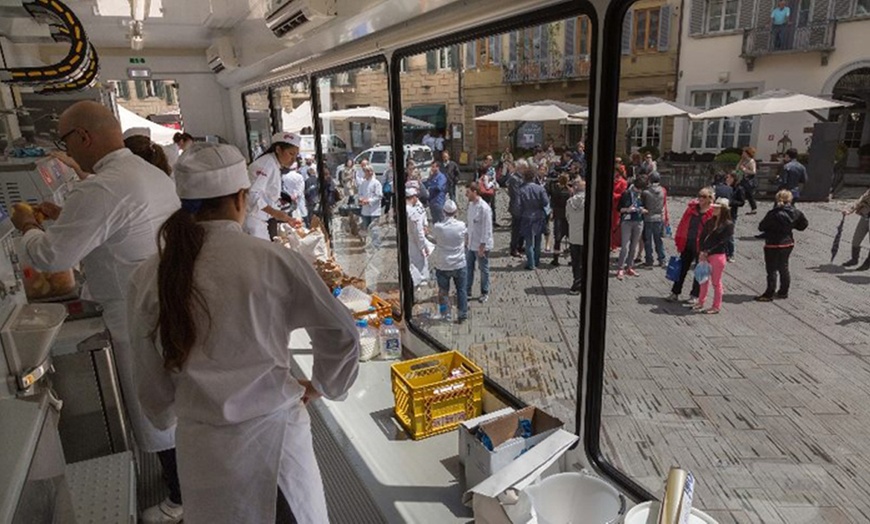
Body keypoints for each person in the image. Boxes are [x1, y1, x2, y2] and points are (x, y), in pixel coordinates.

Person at [128, 143, 360, 524]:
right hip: (274, 443)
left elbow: (152, 384)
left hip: (202, 451)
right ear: (241, 197)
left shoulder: (149, 275)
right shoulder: (272, 260)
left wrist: (167, 413)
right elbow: (343, 332)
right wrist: (321, 384)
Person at [13, 100, 182, 522]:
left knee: (154, 410)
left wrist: (28, 229)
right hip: (162, 300)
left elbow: (54, 256)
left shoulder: (102, 187)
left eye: (65, 140)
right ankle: (185, 483)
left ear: (83, 138)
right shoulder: (146, 173)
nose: (67, 149)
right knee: (170, 403)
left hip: (133, 312)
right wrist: (61, 216)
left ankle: (182, 498)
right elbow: (106, 227)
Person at [244, 132, 303, 240]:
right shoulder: (265, 164)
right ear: (278, 149)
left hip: (261, 221)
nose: (294, 159)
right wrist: (275, 213)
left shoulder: (273, 165)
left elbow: (267, 196)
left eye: (296, 155)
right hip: (253, 221)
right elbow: (251, 194)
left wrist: (287, 218)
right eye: (291, 154)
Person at [755, 189, 808, 301]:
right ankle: (783, 292)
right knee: (784, 267)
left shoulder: (773, 213)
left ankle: (769, 293)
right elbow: (803, 225)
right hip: (787, 242)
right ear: (790, 199)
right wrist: (792, 226)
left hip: (773, 243)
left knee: (771, 269)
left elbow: (761, 227)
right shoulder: (796, 212)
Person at [667, 187, 715, 303]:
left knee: (699, 271)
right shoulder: (691, 209)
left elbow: (713, 232)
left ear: (709, 199)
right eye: (699, 196)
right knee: (681, 269)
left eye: (703, 196)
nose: (700, 199)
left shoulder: (712, 213)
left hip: (701, 246)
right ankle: (675, 292)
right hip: (688, 243)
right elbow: (682, 225)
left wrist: (708, 249)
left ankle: (694, 295)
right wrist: (679, 241)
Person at [694, 198, 735, 314]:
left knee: (716, 282)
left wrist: (708, 251)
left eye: (717, 208)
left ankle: (716, 306)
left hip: (717, 255)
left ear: (723, 210)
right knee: (703, 279)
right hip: (705, 254)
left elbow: (723, 242)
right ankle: (701, 301)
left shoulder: (728, 224)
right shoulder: (710, 221)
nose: (714, 209)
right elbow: (702, 237)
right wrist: (702, 251)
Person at [430, 200, 468, 323]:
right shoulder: (461, 226)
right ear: (456, 212)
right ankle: (462, 314)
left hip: (443, 263)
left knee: (443, 291)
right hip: (459, 263)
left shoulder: (438, 227)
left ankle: (445, 314)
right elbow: (466, 239)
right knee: (461, 290)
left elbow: (434, 239)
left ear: (443, 212)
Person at [517, 164, 550, 270]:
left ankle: (531, 263)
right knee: (538, 241)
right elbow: (546, 202)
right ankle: (536, 261)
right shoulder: (540, 189)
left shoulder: (521, 190)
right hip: (539, 216)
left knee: (529, 242)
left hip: (526, 216)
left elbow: (518, 205)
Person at [465, 182, 493, 303]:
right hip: (471, 243)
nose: (466, 194)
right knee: (469, 267)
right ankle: (467, 291)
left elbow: (487, 228)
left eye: (468, 192)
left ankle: (484, 292)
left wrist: (482, 245)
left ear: (474, 192)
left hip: (481, 245)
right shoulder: (471, 205)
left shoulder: (484, 208)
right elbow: (470, 223)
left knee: (483, 269)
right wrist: (466, 237)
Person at [615, 180, 646, 280]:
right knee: (625, 246)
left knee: (634, 246)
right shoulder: (626, 194)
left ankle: (629, 266)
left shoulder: (642, 194)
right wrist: (627, 210)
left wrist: (643, 210)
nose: (639, 191)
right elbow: (618, 208)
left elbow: (646, 208)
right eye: (638, 189)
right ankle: (620, 268)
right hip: (627, 222)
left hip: (639, 221)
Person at [405, 186, 432, 288]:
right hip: (413, 240)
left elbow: (423, 213)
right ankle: (418, 282)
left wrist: (425, 225)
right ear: (413, 197)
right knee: (417, 261)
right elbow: (418, 232)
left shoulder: (417, 205)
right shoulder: (410, 211)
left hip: (414, 238)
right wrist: (423, 246)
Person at [641, 172, 669, 267]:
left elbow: (643, 204)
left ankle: (649, 260)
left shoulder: (645, 192)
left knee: (648, 240)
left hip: (648, 217)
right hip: (658, 218)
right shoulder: (663, 190)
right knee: (658, 240)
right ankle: (662, 259)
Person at [840, 186, 870, 268]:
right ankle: (854, 259)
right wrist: (849, 210)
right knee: (856, 239)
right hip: (865, 218)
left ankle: (867, 263)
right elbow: (860, 201)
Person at [565, 178, 586, 295]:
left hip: (573, 235)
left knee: (575, 261)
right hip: (584, 236)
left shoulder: (569, 202)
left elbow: (567, 217)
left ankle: (576, 282)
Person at [549, 173, 572, 266]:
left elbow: (550, 188)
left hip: (558, 215)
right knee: (571, 239)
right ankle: (573, 259)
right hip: (568, 216)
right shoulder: (570, 192)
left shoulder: (556, 191)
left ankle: (555, 259)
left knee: (557, 239)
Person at [358, 165, 383, 245]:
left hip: (374, 210)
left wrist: (369, 201)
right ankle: (365, 244)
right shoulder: (363, 183)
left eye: (366, 172)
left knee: (374, 230)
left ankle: (376, 245)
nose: (364, 174)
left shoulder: (376, 183)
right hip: (365, 210)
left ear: (370, 172)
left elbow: (379, 196)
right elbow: (360, 193)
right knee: (365, 227)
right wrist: (361, 199)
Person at [724, 172, 746, 261]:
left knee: (730, 234)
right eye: (726, 178)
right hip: (723, 212)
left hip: (731, 213)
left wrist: (731, 202)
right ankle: (724, 252)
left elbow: (741, 202)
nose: (727, 179)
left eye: (729, 178)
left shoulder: (739, 189)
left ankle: (731, 253)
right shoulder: (724, 187)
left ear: (734, 179)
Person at [505, 160, 525, 257]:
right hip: (517, 207)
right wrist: (518, 209)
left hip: (522, 207)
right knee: (516, 229)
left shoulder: (521, 177)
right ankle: (514, 248)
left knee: (521, 229)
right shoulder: (514, 179)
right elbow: (516, 195)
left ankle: (520, 246)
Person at [611, 164, 629, 251]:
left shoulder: (623, 182)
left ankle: (614, 244)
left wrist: (614, 195)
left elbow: (623, 194)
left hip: (617, 206)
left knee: (615, 225)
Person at [736, 146, 758, 214]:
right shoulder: (743, 160)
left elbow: (753, 172)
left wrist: (744, 169)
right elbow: (737, 168)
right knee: (739, 191)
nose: (742, 154)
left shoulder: (751, 161)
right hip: (742, 179)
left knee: (749, 194)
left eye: (744, 152)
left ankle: (754, 208)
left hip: (748, 180)